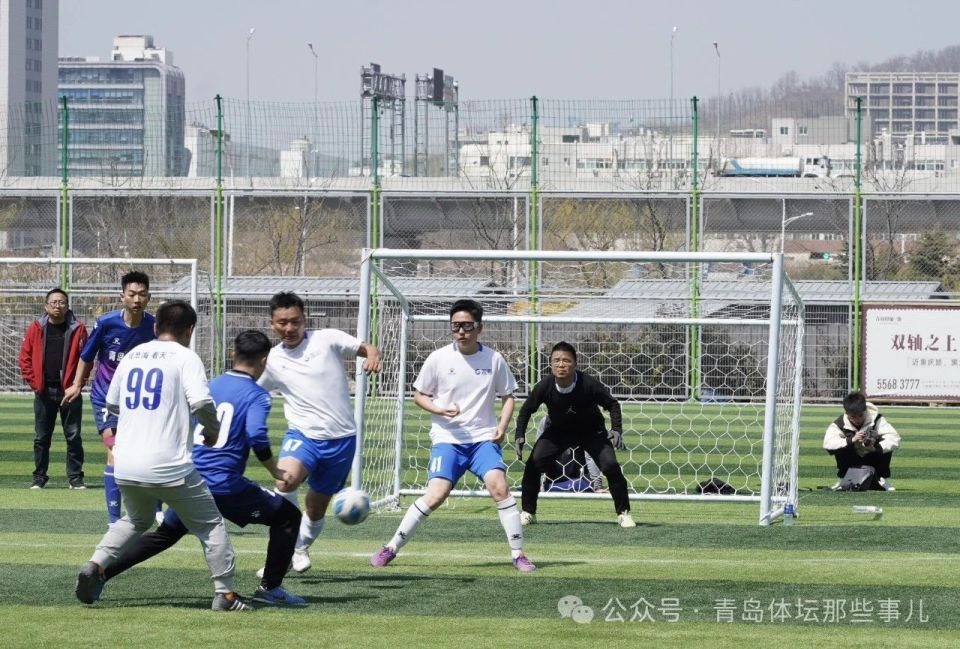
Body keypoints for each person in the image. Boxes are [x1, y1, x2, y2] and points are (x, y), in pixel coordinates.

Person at [99, 330, 305, 607]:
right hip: (225, 485)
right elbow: (257, 436)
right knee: (288, 516)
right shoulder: (257, 395)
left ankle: (101, 572)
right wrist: (275, 472)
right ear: (264, 360)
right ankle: (270, 587)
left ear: (233, 354)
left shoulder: (212, 384)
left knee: (165, 535)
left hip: (191, 478)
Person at [74, 300, 250, 611]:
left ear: (155, 328)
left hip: (125, 464)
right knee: (210, 524)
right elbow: (200, 402)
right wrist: (212, 431)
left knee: (136, 519)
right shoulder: (186, 358)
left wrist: (115, 432)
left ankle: (96, 564)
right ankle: (226, 594)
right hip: (169, 465)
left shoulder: (131, 357)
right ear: (190, 330)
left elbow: (110, 405)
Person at [371, 299, 535, 572]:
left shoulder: (493, 359)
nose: (461, 331)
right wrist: (439, 409)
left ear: (479, 328)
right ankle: (391, 548)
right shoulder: (438, 358)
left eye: (467, 326)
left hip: (483, 439)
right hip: (448, 439)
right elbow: (419, 396)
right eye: (455, 326)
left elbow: (508, 397)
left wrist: (502, 427)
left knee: (500, 487)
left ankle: (518, 554)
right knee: (436, 495)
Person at [257, 291, 381, 574]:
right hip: (302, 435)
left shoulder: (326, 338)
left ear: (305, 319)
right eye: (282, 323)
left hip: (341, 439)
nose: (289, 329)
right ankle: (287, 543)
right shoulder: (272, 360)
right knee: (285, 483)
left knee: (315, 507)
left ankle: (298, 547)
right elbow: (252, 391)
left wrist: (372, 355)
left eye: (295, 322)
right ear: (271, 323)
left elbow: (366, 348)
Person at [63, 271, 157, 524]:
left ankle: (156, 507)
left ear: (149, 297)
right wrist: (76, 384)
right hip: (106, 398)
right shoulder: (106, 323)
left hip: (139, 400)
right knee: (114, 450)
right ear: (122, 296)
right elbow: (86, 356)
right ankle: (114, 519)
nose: (137, 299)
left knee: (150, 449)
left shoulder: (154, 327)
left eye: (142, 294)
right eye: (132, 294)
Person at [515, 341, 635, 528]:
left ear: (575, 364)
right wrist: (519, 435)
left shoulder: (588, 383)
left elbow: (612, 404)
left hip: (591, 432)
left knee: (611, 466)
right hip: (559, 432)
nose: (561, 365)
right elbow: (526, 410)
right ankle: (528, 512)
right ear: (551, 364)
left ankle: (624, 513)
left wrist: (616, 429)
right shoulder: (545, 386)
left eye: (566, 361)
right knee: (533, 464)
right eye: (556, 361)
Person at [18, 288, 89, 490]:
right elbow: (25, 359)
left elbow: (88, 358)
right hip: (44, 391)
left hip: (70, 392)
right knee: (41, 437)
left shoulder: (78, 328)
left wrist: (77, 385)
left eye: (62, 302)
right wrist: (35, 384)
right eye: (54, 302)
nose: (58, 306)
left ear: (68, 306)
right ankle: (39, 477)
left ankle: (75, 478)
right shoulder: (36, 328)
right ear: (46, 306)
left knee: (73, 436)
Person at [823, 391, 901, 491]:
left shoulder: (877, 419)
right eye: (853, 417)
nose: (858, 419)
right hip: (851, 460)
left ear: (865, 410)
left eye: (860, 415)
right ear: (847, 414)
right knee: (839, 445)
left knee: (886, 442)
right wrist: (851, 440)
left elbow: (895, 438)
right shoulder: (839, 423)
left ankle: (883, 478)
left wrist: (876, 448)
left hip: (874, 457)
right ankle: (843, 478)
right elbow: (828, 444)